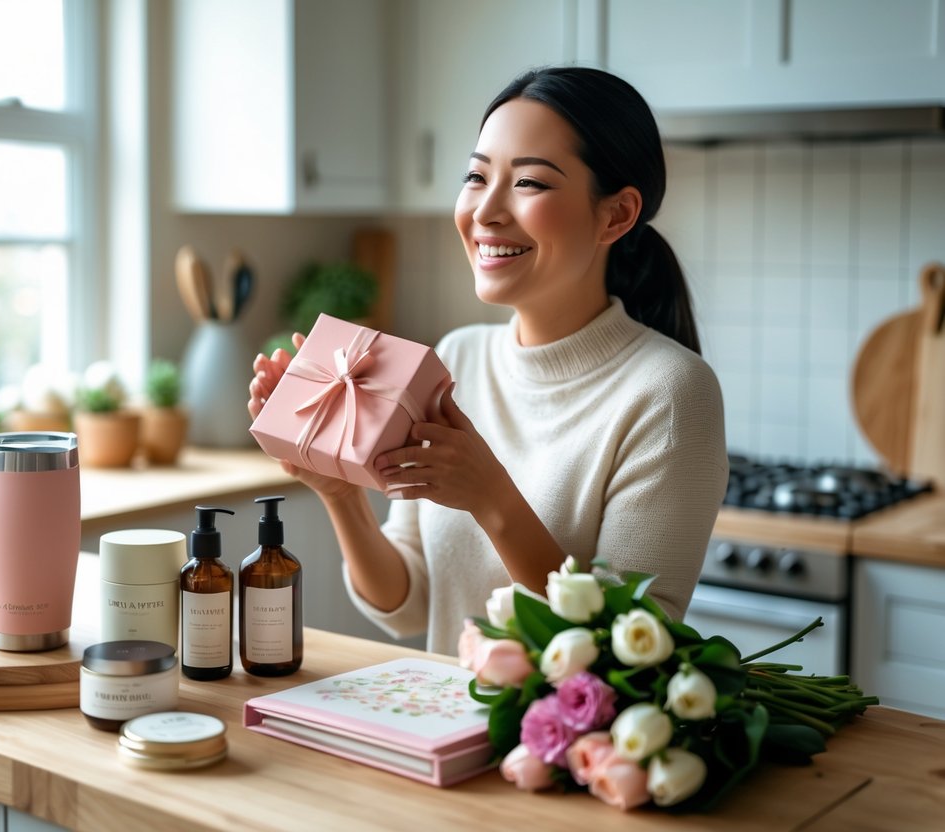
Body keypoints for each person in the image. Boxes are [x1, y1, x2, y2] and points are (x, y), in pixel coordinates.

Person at [247, 66, 728, 656]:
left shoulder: (671, 393)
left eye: (529, 183)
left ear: (617, 215)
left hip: (565, 745)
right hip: (438, 731)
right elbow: (412, 601)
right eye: (476, 176)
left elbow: (632, 649)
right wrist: (340, 492)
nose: (486, 211)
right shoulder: (458, 357)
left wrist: (492, 498)